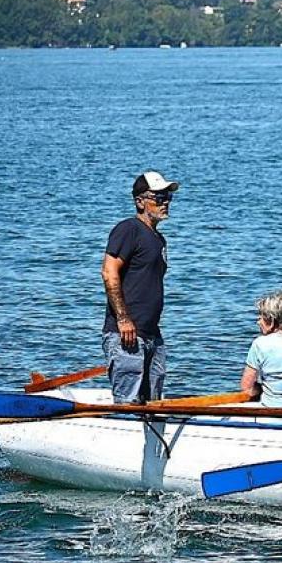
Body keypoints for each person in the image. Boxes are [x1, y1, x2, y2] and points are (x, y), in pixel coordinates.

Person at [101, 170, 179, 404]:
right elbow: (108, 271)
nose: (165, 203)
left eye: (168, 198)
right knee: (128, 402)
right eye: (158, 198)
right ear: (140, 201)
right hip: (126, 334)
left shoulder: (158, 239)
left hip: (152, 334)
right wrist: (124, 319)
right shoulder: (129, 229)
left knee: (153, 402)